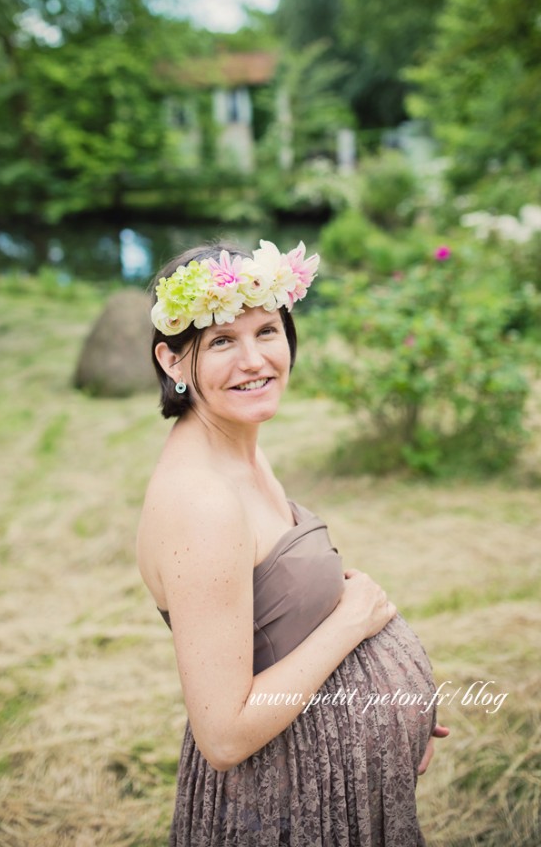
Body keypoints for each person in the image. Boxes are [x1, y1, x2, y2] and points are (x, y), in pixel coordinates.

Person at [136, 240, 449, 847]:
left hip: (330, 769)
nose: (255, 360)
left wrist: (392, 712)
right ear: (173, 362)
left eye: (267, 331)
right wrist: (353, 622)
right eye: (222, 341)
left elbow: (277, 609)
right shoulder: (202, 503)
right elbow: (224, 735)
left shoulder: (239, 448)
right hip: (280, 798)